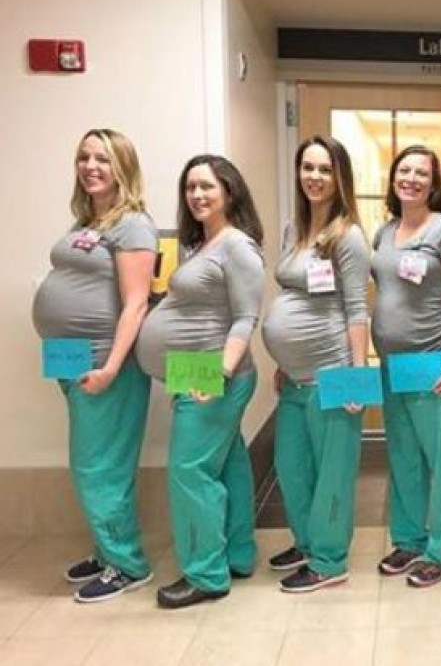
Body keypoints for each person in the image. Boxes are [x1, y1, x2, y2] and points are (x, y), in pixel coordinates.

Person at [32, 129, 158, 603]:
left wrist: (110, 367)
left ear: (123, 167)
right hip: (71, 360)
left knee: (99, 466)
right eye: (83, 157)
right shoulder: (86, 222)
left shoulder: (133, 226)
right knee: (91, 460)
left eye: (102, 159)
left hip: (106, 364)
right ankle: (108, 550)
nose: (90, 166)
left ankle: (127, 564)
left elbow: (136, 303)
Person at [136, 155, 265, 609]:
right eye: (190, 187)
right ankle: (238, 555)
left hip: (215, 374)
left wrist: (217, 376)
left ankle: (206, 575)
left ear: (229, 190)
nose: (197, 195)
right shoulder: (204, 244)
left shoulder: (238, 246)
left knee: (189, 471)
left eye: (207, 186)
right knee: (228, 465)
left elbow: (245, 318)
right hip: (194, 373)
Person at [261, 136, 370, 592]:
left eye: (325, 169)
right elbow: (292, 293)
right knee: (291, 466)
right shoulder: (294, 230)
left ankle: (329, 560)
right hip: (295, 378)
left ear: (340, 177)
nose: (315, 177)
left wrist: (357, 377)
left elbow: (357, 309)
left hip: (332, 374)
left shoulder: (349, 237)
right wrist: (284, 358)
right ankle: (307, 541)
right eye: (308, 167)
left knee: (332, 475)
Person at [372, 145, 441, 587]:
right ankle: (410, 539)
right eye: (404, 170)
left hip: (434, 360)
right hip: (392, 364)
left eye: (421, 173)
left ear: (433, 184)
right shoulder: (384, 232)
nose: (411, 179)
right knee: (404, 457)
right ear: (393, 178)